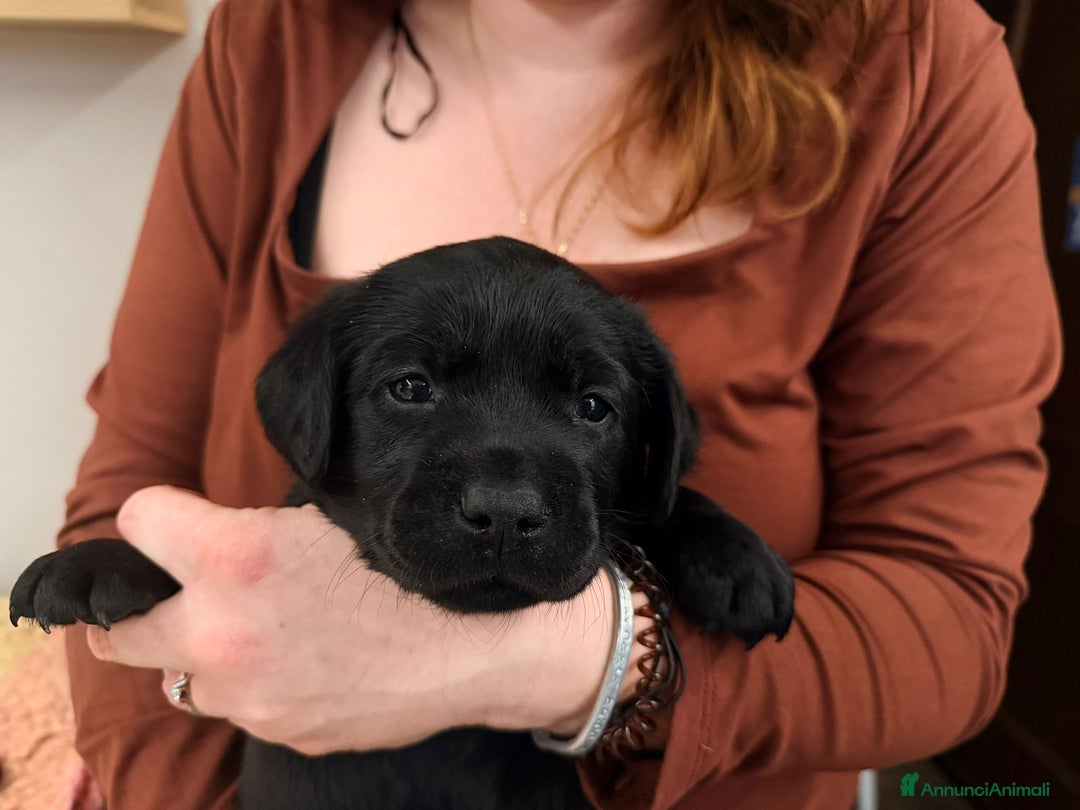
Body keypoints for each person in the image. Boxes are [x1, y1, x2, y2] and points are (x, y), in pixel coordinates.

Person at [54, 0, 1061, 808]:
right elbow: (130, 485)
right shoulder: (275, 37)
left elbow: (951, 616)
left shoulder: (912, 55)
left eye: (590, 407)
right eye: (411, 389)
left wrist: (598, 651)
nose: (502, 495)